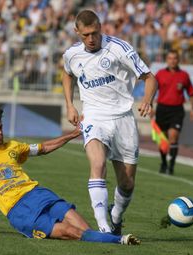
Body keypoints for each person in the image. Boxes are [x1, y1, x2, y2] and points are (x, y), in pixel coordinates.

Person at [0, 110, 140, 245]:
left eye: (0, 127)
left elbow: (43, 147)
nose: (0, 132)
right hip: (19, 210)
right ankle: (122, 240)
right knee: (72, 233)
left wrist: (71, 135)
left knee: (85, 229)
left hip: (38, 194)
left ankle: (113, 237)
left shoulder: (13, 147)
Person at [62, 10, 157, 235]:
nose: (91, 39)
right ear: (77, 32)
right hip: (94, 116)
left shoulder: (119, 49)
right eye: (85, 35)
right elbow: (67, 74)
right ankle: (103, 227)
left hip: (123, 118)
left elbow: (149, 77)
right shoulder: (71, 54)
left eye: (94, 33)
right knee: (98, 164)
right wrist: (69, 104)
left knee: (127, 183)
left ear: (101, 27)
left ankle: (115, 217)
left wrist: (146, 99)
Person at [154, 49, 193, 175]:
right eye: (170, 58)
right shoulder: (160, 74)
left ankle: (171, 166)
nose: (172, 61)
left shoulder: (184, 75)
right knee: (162, 140)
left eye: (175, 58)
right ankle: (163, 162)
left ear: (178, 60)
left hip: (177, 110)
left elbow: (192, 93)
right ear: (166, 60)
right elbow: (152, 89)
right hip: (162, 109)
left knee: (173, 136)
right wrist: (149, 105)